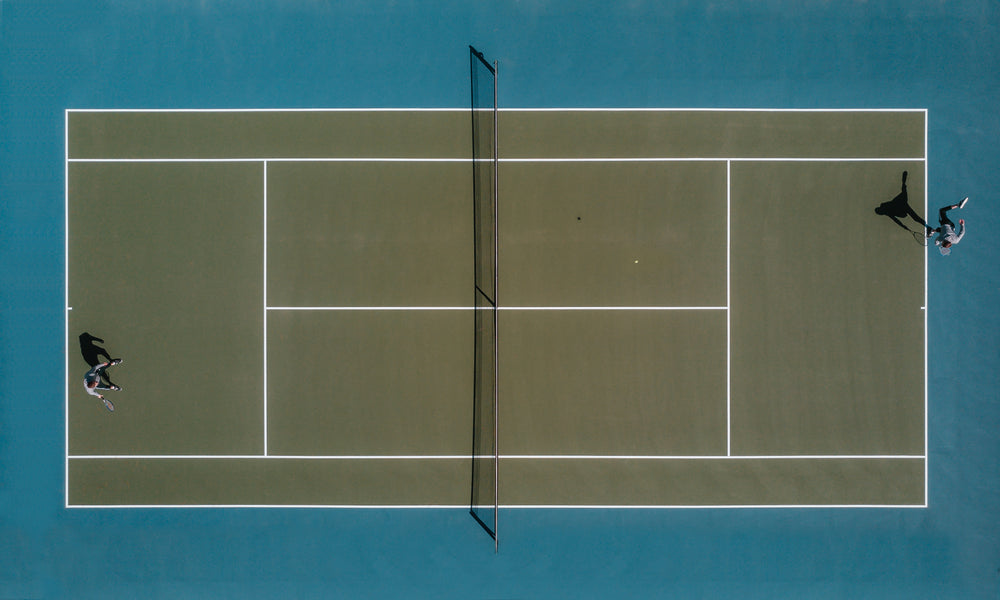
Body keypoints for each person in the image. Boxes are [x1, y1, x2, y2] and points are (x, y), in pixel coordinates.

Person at [874, 171, 934, 236]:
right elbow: (895, 219)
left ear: (881, 211)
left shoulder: (886, 212)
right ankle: (928, 227)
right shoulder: (884, 207)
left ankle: (928, 228)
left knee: (915, 217)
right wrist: (903, 225)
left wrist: (903, 226)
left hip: (902, 203)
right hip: (901, 199)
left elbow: (896, 220)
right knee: (903, 188)